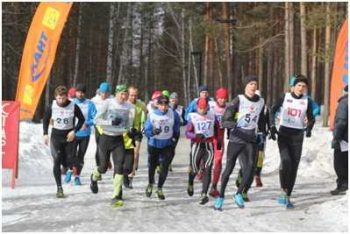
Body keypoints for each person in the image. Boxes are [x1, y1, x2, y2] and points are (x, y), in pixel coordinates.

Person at [214, 75, 265, 210]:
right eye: (250, 84)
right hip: (236, 139)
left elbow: (261, 120)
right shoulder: (239, 100)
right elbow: (224, 120)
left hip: (250, 139)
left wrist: (263, 132)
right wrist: (234, 126)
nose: (253, 86)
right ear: (246, 86)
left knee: (250, 168)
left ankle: (238, 193)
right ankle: (221, 196)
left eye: (255, 84)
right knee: (229, 168)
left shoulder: (260, 102)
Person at [269, 74, 315, 209]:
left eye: (303, 86)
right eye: (298, 85)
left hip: (297, 136)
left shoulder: (307, 101)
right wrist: (272, 126)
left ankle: (288, 196)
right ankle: (283, 190)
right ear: (293, 87)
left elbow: (311, 117)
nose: (301, 88)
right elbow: (272, 111)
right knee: (286, 161)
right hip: (284, 134)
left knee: (294, 167)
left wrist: (309, 128)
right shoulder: (285, 97)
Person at [90, 84, 136, 207]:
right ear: (116, 94)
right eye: (122, 94)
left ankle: (116, 195)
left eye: (126, 94)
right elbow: (95, 120)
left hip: (118, 139)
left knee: (119, 167)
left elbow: (129, 125)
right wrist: (110, 122)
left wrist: (133, 132)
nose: (124, 96)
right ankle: (94, 177)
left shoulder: (130, 107)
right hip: (105, 138)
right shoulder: (107, 103)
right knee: (103, 168)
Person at [43, 85, 85, 198]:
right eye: (58, 98)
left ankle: (69, 166)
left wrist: (74, 131)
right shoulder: (51, 106)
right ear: (55, 97)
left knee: (67, 161)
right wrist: (45, 134)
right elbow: (46, 120)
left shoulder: (73, 106)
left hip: (69, 137)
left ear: (67, 97)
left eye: (63, 98)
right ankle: (59, 188)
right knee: (56, 159)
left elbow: (82, 120)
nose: (61, 101)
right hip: (56, 136)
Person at [144, 95, 180, 200]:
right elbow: (146, 131)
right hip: (154, 144)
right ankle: (150, 183)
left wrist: (174, 139)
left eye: (166, 105)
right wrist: (152, 132)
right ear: (158, 105)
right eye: (161, 105)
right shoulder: (152, 115)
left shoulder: (173, 114)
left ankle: (159, 188)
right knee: (152, 166)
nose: (163, 107)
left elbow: (176, 128)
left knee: (164, 167)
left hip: (167, 145)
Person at [186, 98, 219, 205]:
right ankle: (190, 182)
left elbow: (217, 128)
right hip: (197, 145)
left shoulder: (212, 115)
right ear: (197, 107)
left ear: (207, 107)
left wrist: (218, 140)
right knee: (195, 169)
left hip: (209, 146)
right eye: (200, 108)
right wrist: (195, 135)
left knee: (208, 169)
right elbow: (187, 133)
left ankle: (204, 193)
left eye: (204, 108)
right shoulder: (193, 117)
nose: (202, 110)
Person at [235, 89, 270, 190]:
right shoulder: (245, 106)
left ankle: (257, 175)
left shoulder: (264, 107)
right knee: (248, 157)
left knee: (260, 155)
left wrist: (270, 128)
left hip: (260, 135)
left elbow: (269, 118)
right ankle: (241, 173)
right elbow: (237, 116)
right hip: (248, 134)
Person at [66, 84, 97, 186]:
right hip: (73, 133)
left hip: (85, 134)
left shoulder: (90, 104)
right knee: (71, 155)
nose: (80, 94)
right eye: (78, 92)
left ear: (85, 93)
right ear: (75, 92)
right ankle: (70, 170)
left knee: (80, 156)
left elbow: (95, 118)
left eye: (82, 92)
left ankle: (77, 177)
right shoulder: (71, 103)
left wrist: (87, 123)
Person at [124, 86, 147, 188]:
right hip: (126, 132)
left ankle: (130, 177)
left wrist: (144, 123)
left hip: (137, 132)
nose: (133, 97)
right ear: (128, 94)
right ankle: (124, 173)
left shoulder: (140, 104)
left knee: (135, 154)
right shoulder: (124, 104)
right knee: (125, 154)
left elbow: (147, 111)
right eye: (131, 95)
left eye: (135, 95)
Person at [208, 87, 228, 197]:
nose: (222, 100)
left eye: (224, 98)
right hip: (209, 136)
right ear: (216, 97)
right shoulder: (210, 106)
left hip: (220, 137)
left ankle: (214, 186)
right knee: (207, 159)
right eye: (220, 98)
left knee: (218, 161)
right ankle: (201, 170)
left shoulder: (229, 107)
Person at [330, 85, 348, 195]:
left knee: (340, 163)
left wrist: (336, 137)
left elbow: (341, 121)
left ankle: (343, 185)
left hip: (344, 140)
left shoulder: (344, 103)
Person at [91, 82, 112, 172]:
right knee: (99, 146)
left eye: (106, 93)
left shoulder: (112, 100)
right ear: (99, 92)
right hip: (98, 126)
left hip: (109, 126)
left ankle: (106, 160)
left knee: (109, 146)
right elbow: (91, 114)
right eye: (102, 92)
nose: (104, 95)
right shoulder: (94, 100)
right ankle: (98, 166)